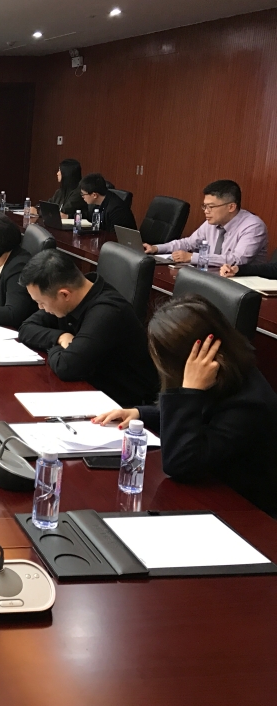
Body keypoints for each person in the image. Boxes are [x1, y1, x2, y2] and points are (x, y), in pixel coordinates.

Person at [93, 295, 277, 514]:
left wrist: (190, 390)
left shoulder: (248, 405)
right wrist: (140, 413)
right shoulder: (226, 376)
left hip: (245, 512)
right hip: (210, 493)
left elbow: (179, 463)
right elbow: (199, 418)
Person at [18, 249, 159, 406]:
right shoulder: (71, 297)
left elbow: (67, 367)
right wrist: (60, 337)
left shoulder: (107, 312)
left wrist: (54, 348)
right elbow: (25, 328)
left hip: (125, 403)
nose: (40, 308)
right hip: (90, 390)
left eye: (42, 303)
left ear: (64, 294)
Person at [144, 180, 267, 267]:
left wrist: (192, 257)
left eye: (211, 207)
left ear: (231, 207)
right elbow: (188, 243)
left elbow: (237, 260)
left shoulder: (253, 226)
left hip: (242, 285)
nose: (206, 211)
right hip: (213, 276)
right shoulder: (213, 222)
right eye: (205, 206)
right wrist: (156, 248)